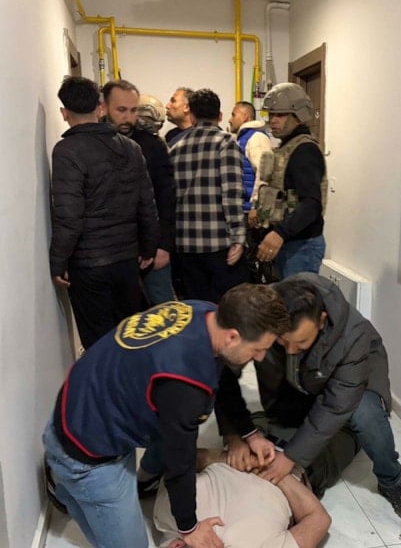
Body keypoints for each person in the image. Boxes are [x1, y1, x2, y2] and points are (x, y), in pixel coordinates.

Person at [42, 283, 291, 548]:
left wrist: (250, 434)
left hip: (89, 397)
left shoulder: (206, 313)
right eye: (258, 349)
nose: (260, 357)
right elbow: (180, 457)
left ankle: (141, 480)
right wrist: (189, 527)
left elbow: (222, 380)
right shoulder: (184, 383)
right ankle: (62, 482)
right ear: (233, 337)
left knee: (172, 426)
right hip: (84, 447)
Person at [216, 273, 401, 516]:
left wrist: (290, 458)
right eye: (282, 341)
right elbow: (224, 373)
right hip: (302, 377)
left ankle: (392, 481)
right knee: (282, 424)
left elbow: (336, 405)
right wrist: (235, 434)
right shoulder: (264, 310)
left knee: (365, 416)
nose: (291, 350)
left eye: (301, 342)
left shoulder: (354, 335)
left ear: (322, 321)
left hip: (355, 380)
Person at [49, 76, 159, 349]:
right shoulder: (131, 148)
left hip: (88, 264)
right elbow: (147, 203)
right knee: (130, 336)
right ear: (99, 108)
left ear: (64, 112)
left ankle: (107, 379)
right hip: (127, 259)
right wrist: (148, 246)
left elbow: (69, 215)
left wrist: (58, 261)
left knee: (99, 344)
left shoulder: (66, 150)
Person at [142, 448, 330, 548]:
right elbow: (319, 520)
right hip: (307, 461)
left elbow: (190, 457)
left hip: (254, 440)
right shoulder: (167, 509)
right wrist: (265, 467)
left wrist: (251, 459)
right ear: (175, 546)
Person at [169, 88, 250, 303]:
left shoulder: (175, 148)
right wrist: (238, 238)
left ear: (192, 116)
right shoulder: (226, 143)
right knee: (227, 309)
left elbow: (170, 197)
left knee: (197, 308)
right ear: (220, 115)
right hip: (219, 244)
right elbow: (231, 194)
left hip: (186, 244)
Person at [101, 80, 176, 305]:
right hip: (111, 251)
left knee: (163, 310)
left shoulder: (152, 145)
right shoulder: (95, 145)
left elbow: (166, 197)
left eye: (133, 110)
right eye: (121, 110)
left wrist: (164, 245)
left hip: (151, 245)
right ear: (104, 107)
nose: (128, 117)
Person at [254, 82, 328, 278]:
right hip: (290, 244)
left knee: (296, 298)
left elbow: (311, 203)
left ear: (298, 116)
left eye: (280, 115)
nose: (273, 120)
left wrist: (280, 233)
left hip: (301, 246)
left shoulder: (305, 150)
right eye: (271, 115)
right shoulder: (287, 147)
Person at [227, 100, 273, 217]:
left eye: (233, 115)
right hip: (244, 208)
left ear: (244, 117)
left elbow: (264, 174)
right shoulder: (243, 139)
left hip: (251, 212)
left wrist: (256, 206)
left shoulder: (257, 138)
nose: (230, 120)